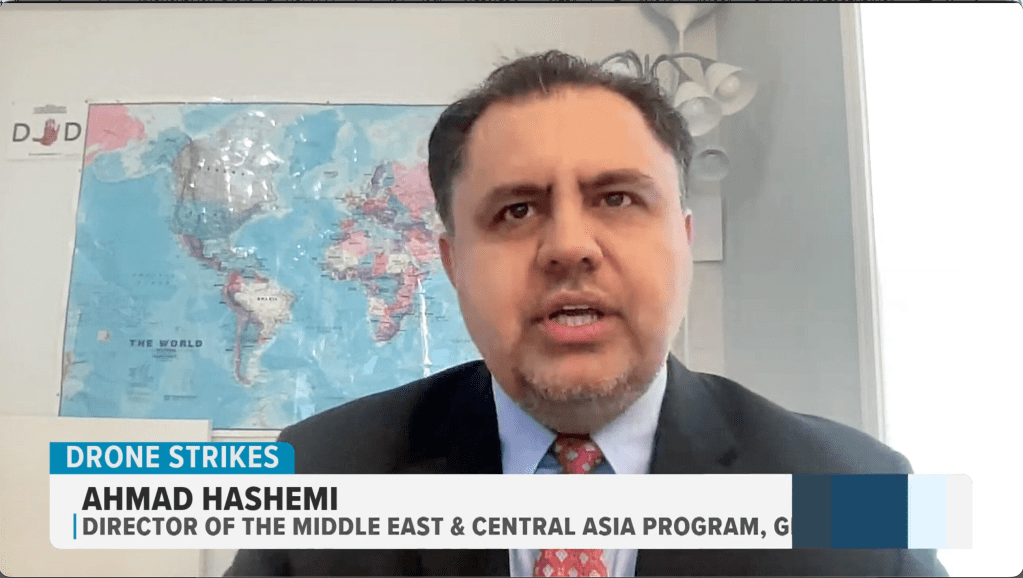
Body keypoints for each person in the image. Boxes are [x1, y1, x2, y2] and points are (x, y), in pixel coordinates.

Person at [225, 50, 946, 577]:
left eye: (618, 199)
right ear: (452, 264)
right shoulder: (318, 480)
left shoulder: (865, 494)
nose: (569, 246)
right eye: (516, 210)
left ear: (683, 242)